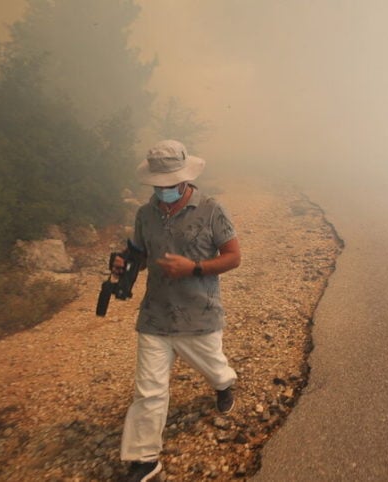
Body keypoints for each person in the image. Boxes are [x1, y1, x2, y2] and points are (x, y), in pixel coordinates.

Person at [118, 139, 241, 482]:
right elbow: (138, 254)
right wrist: (123, 262)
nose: (164, 190)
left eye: (170, 184)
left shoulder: (212, 210)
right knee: (149, 390)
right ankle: (145, 461)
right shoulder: (145, 214)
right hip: (155, 315)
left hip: (199, 314)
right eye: (159, 185)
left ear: (185, 179)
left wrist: (194, 268)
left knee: (214, 367)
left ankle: (223, 384)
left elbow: (233, 257)